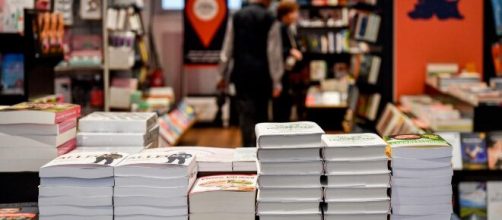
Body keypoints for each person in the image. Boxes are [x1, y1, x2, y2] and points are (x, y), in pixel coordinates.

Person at [217, 0, 284, 147]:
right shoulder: (270, 19)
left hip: (242, 74)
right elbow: (274, 53)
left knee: (246, 116)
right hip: (263, 76)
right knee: (262, 115)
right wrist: (277, 81)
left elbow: (227, 48)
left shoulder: (236, 16)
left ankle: (247, 153)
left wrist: (222, 74)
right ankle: (262, 153)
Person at [273, 1, 303, 122]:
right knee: (281, 107)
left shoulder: (289, 28)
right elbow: (276, 50)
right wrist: (291, 51)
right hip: (281, 73)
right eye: (294, 12)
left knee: (287, 105)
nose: (297, 15)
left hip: (289, 73)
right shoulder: (279, 28)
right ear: (287, 14)